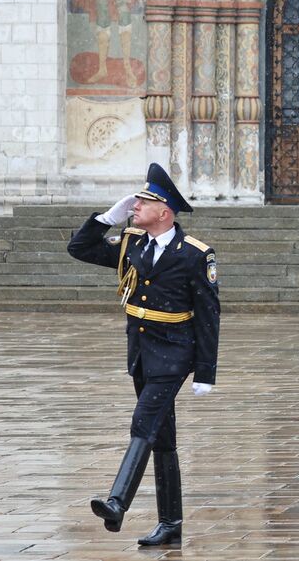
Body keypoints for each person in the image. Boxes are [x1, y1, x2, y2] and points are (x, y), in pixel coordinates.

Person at [66, 163, 220, 547]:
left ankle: (117, 502)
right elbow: (79, 249)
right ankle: (171, 525)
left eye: (143, 202)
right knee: (162, 437)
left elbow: (208, 316)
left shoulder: (195, 254)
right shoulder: (132, 242)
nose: (134, 205)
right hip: (141, 352)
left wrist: (205, 371)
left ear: (164, 211)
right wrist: (105, 219)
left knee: (143, 422)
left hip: (174, 354)